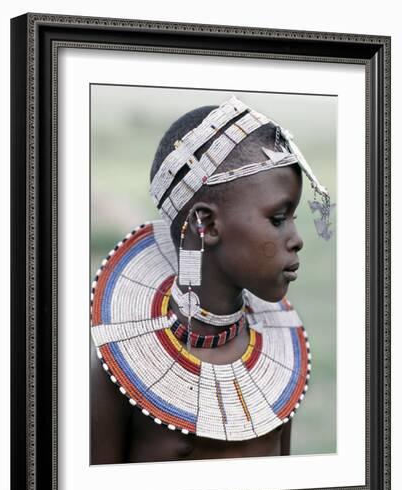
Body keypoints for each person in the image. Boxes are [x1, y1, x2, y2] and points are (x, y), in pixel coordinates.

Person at [90, 96, 332, 464]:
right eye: (279, 218)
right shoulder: (115, 370)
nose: (296, 238)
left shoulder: (284, 363)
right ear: (206, 224)